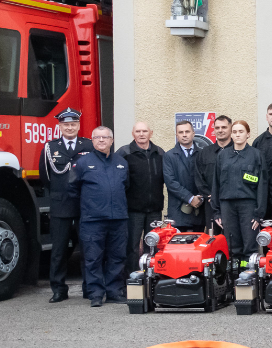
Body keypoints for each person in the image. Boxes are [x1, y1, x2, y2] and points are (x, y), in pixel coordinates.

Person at [68, 126, 129, 307]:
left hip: (118, 218)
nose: (101, 140)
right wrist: (90, 206)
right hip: (93, 220)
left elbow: (126, 186)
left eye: (105, 137)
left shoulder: (121, 162)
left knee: (117, 257)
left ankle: (114, 292)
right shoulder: (82, 163)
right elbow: (72, 189)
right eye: (97, 137)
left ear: (112, 140)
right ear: (92, 141)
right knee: (93, 258)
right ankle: (95, 294)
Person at [41, 107, 91, 303]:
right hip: (60, 204)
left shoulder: (88, 145)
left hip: (83, 204)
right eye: (66, 125)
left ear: (78, 126)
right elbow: (46, 177)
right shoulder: (50, 147)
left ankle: (89, 287)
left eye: (73, 124)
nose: (70, 128)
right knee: (59, 250)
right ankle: (59, 289)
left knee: (87, 248)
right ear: (60, 127)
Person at [212, 120, 269, 269]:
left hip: (248, 206)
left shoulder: (256, 155)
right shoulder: (223, 155)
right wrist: (216, 211)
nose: (237, 135)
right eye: (235, 132)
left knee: (250, 244)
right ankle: (234, 274)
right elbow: (216, 184)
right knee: (232, 245)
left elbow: (262, 185)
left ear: (248, 134)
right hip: (227, 205)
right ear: (231, 134)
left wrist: (259, 213)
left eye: (241, 131)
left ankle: (249, 273)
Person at [116, 122, 165, 275]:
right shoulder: (124, 153)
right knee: (132, 246)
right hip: (133, 211)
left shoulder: (159, 153)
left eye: (144, 131)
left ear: (151, 133)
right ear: (133, 134)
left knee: (153, 246)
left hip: (155, 210)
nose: (141, 134)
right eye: (138, 131)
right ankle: (131, 278)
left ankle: (152, 277)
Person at [163, 120, 204, 232]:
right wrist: (190, 198)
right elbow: (170, 182)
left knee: (199, 242)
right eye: (181, 132)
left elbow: (207, 179)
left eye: (187, 131)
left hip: (199, 211)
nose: (184, 135)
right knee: (179, 243)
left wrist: (200, 198)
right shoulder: (169, 156)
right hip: (178, 212)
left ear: (193, 133)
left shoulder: (203, 154)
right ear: (177, 135)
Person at [195, 116, 232, 232]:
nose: (220, 130)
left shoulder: (239, 151)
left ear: (231, 128)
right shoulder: (204, 153)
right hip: (211, 204)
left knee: (233, 237)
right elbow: (199, 178)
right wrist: (210, 195)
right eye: (217, 128)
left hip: (233, 203)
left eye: (224, 127)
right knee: (213, 237)